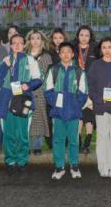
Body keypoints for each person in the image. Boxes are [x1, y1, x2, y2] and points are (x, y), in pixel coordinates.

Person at [0, 33, 42, 174]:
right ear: (10, 45)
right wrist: (5, 66)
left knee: (22, 134)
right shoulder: (4, 61)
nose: (17, 45)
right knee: (9, 134)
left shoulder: (30, 60)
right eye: (14, 43)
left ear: (24, 44)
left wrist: (29, 85)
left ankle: (22, 161)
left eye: (20, 42)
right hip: (6, 101)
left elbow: (38, 79)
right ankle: (10, 161)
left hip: (23, 101)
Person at [45, 42, 89, 180]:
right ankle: (59, 167)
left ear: (72, 54)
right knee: (58, 140)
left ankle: (74, 165)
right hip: (58, 113)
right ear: (59, 54)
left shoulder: (79, 71)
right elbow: (48, 90)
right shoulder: (53, 70)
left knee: (74, 140)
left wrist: (75, 105)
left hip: (73, 113)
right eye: (62, 51)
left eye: (68, 51)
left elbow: (84, 92)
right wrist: (55, 103)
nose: (65, 54)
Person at [87, 38, 111, 178]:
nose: (107, 50)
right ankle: (103, 167)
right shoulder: (95, 65)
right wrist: (98, 100)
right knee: (102, 138)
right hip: (100, 107)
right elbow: (90, 86)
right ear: (101, 49)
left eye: (109, 47)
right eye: (104, 47)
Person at [25, 29, 52, 155]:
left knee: (40, 118)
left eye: (38, 38)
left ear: (42, 40)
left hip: (41, 91)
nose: (35, 41)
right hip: (27, 90)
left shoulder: (47, 56)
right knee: (27, 118)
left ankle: (37, 146)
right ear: (29, 41)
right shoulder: (24, 55)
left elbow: (49, 75)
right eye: (33, 38)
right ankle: (26, 144)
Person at [74, 25, 97, 154]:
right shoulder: (72, 49)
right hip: (76, 88)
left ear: (90, 37)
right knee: (78, 115)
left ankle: (87, 144)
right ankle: (78, 142)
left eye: (87, 35)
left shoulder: (95, 50)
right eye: (81, 35)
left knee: (89, 115)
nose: (84, 38)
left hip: (91, 87)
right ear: (78, 36)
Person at [47, 27, 68, 147]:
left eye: (60, 37)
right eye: (55, 38)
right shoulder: (49, 53)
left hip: (66, 88)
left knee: (65, 115)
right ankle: (53, 141)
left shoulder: (68, 51)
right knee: (53, 115)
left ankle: (65, 140)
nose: (58, 40)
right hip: (53, 88)